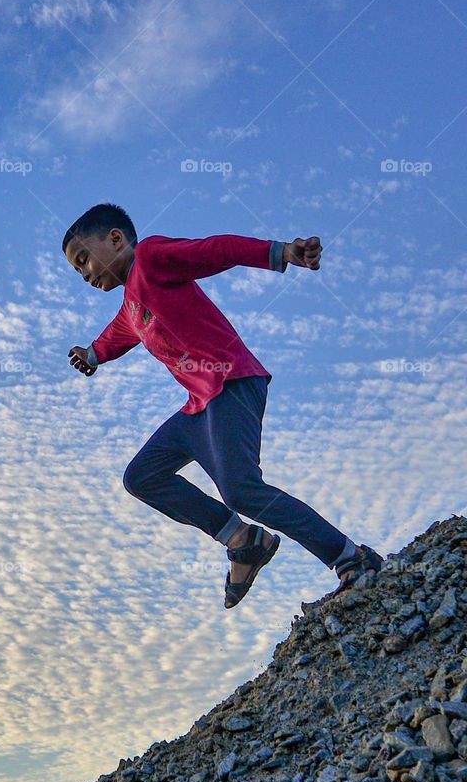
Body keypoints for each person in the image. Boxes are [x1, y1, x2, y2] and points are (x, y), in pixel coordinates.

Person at [63, 202, 383, 607]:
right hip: (199, 406)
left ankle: (350, 557)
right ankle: (243, 541)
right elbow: (119, 333)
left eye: (84, 259)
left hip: (232, 382)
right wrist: (91, 355)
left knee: (242, 490)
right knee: (142, 477)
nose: (85, 273)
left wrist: (279, 252)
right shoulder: (131, 304)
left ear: (115, 238)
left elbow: (216, 250)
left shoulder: (151, 258)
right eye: (77, 269)